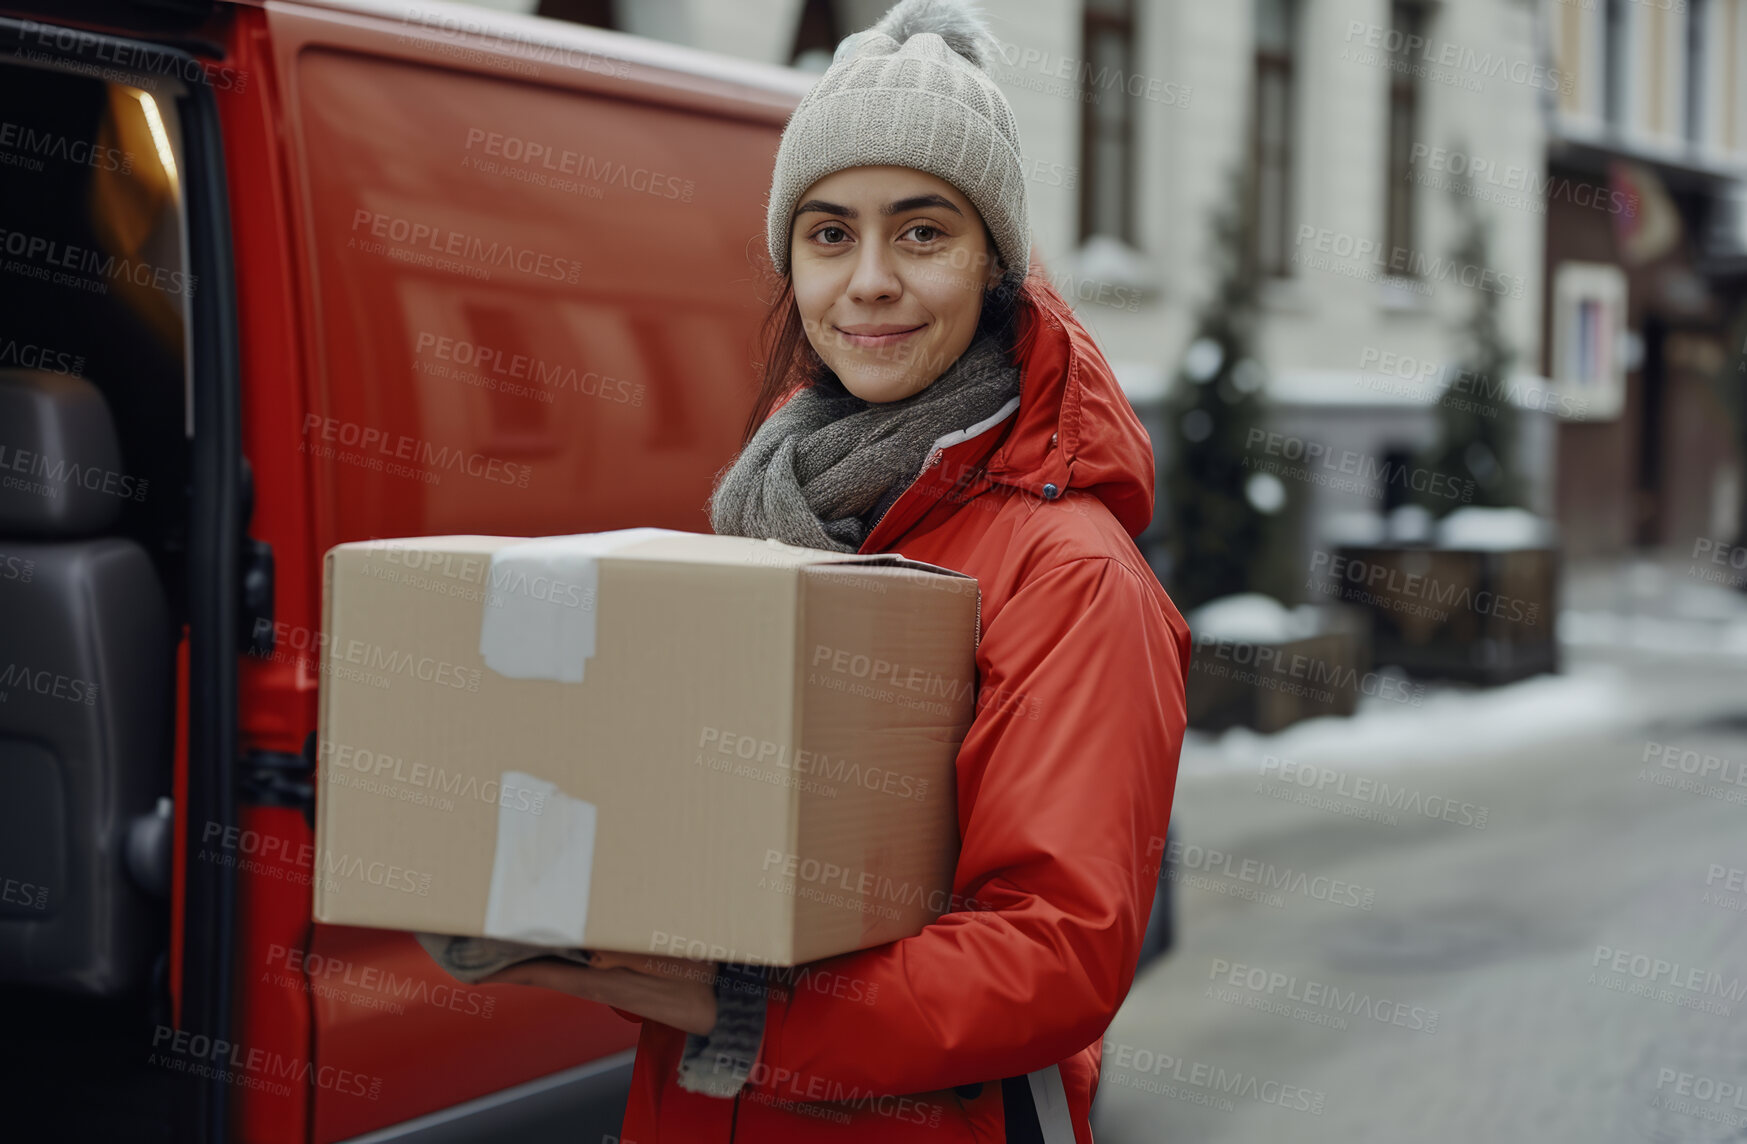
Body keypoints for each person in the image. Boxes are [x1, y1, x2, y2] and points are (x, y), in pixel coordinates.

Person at [481, 0, 1190, 1139]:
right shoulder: (771, 514)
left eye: (921, 232)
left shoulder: (1071, 574)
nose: (866, 281)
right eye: (827, 233)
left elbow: (1054, 951)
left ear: (996, 268)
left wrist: (743, 1011)